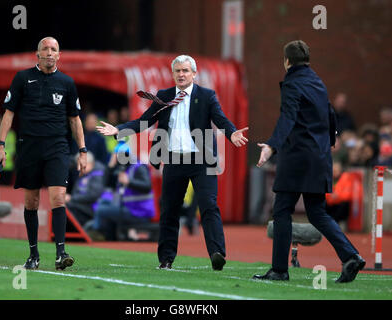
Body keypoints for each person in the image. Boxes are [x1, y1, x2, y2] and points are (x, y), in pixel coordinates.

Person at [97, 55, 248, 270]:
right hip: (173, 160)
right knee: (169, 211)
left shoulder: (206, 96)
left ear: (194, 74)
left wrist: (231, 134)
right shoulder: (164, 96)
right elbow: (145, 121)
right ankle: (166, 259)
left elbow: (220, 118)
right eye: (177, 71)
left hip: (201, 160)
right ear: (173, 74)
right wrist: (118, 130)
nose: (181, 74)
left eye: (185, 71)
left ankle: (217, 253)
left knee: (208, 206)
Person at [254, 40, 365, 283]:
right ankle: (350, 255)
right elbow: (330, 114)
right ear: (308, 60)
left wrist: (272, 146)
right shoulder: (318, 82)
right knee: (317, 212)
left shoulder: (293, 84)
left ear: (286, 61)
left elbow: (288, 117)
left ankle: (279, 270)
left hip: (297, 158)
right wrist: (330, 142)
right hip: (320, 157)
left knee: (282, 210)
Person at [0, 37, 87, 271]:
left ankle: (60, 253)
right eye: (44, 49)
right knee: (32, 202)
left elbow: (75, 120)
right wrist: (1, 146)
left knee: (58, 197)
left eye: (53, 49)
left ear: (59, 55)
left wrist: (83, 150)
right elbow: (8, 113)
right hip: (29, 146)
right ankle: (33, 254)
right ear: (37, 54)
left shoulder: (67, 83)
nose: (49, 52)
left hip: (57, 147)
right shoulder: (22, 78)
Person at [89, 141, 155, 241]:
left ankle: (96, 231)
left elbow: (147, 186)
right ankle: (99, 230)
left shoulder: (139, 167)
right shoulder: (123, 168)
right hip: (127, 207)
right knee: (101, 202)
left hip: (139, 211)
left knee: (101, 209)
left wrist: (129, 182)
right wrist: (110, 166)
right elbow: (105, 184)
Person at [66, 152, 105, 227]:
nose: (78, 167)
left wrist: (71, 198)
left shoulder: (98, 174)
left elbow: (93, 195)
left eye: (80, 164)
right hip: (80, 206)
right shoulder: (85, 173)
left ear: (89, 163)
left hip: (90, 210)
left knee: (66, 209)